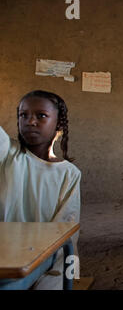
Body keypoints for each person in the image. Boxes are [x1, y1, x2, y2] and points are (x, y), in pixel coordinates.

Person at [0, 90, 81, 289]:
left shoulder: (69, 174)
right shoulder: (7, 153)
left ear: (59, 124)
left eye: (41, 115)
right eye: (23, 115)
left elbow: (65, 231)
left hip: (45, 260)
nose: (30, 121)